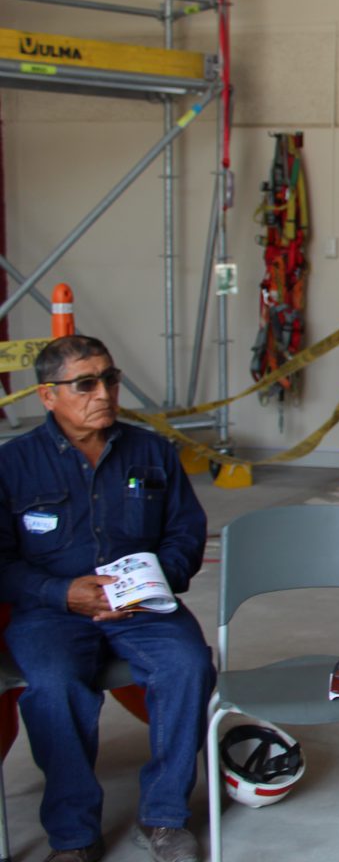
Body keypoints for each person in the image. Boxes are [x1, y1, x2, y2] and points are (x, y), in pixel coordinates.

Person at [0, 335, 213, 862]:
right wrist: (61, 592)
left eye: (110, 379)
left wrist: (148, 581)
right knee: (52, 687)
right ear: (48, 396)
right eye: (85, 383)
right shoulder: (14, 464)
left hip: (141, 607)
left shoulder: (153, 452)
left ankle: (164, 818)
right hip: (52, 612)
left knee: (187, 665)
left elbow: (186, 535)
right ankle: (74, 836)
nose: (104, 393)